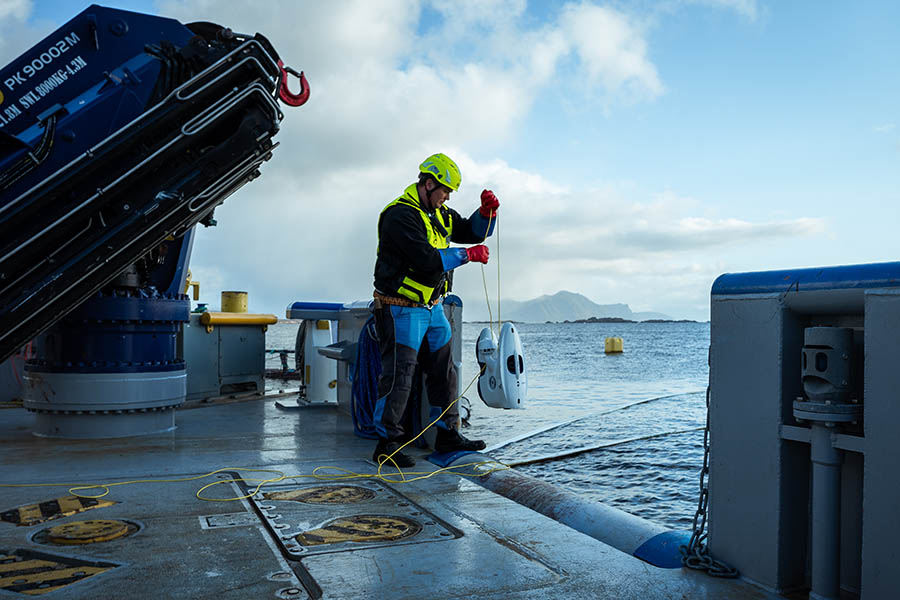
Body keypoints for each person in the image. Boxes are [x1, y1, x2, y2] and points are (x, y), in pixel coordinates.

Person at [372, 153, 500, 467]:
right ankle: (386, 443)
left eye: (449, 194)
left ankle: (446, 433)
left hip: (432, 309)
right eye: (444, 191)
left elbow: (472, 230)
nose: (446, 198)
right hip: (401, 309)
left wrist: (486, 214)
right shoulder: (399, 216)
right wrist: (467, 256)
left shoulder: (439, 212)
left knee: (445, 373)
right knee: (399, 376)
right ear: (428, 184)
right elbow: (426, 260)